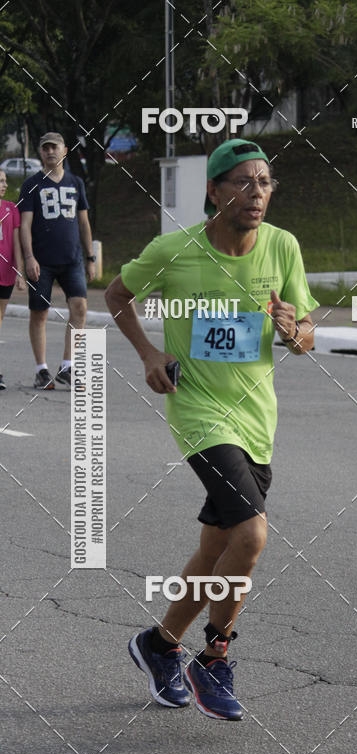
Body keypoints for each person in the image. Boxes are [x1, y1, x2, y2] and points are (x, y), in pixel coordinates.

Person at [105, 138, 318, 720]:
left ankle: (160, 644)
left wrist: (292, 331)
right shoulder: (175, 251)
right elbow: (118, 293)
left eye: (266, 182)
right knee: (250, 536)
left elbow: (305, 336)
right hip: (199, 413)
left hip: (257, 417)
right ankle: (215, 657)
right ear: (214, 192)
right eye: (244, 182)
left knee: (218, 547)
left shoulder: (282, 247)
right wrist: (149, 353)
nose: (257, 193)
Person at [19, 132, 96, 390]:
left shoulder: (76, 183)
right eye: (45, 148)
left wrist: (90, 257)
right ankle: (41, 369)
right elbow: (25, 225)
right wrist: (28, 257)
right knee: (39, 313)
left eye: (55, 147)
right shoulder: (31, 184)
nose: (50, 151)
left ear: (64, 151)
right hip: (42, 260)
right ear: (40, 153)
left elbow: (83, 222)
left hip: (72, 259)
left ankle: (67, 365)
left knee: (80, 308)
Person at [0, 169, 26, 389]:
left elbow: (17, 242)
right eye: (0, 181)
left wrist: (19, 272)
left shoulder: (11, 209)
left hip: (5, 271)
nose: (4, 185)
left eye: (5, 181)